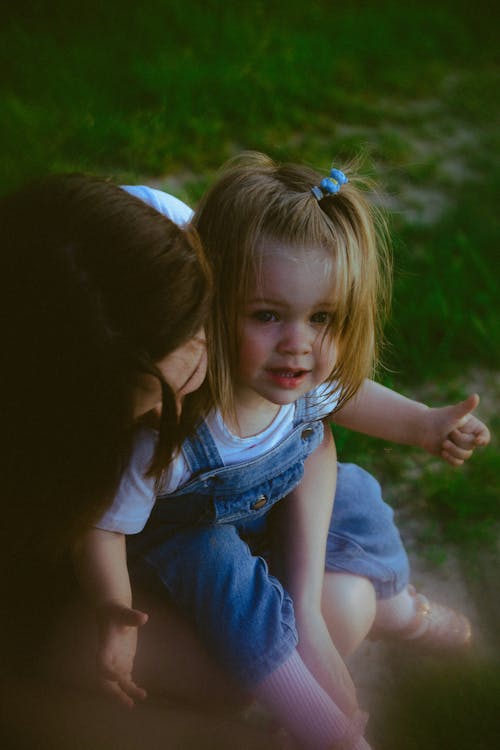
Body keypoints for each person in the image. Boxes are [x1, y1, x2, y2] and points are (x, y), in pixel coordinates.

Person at [77, 155, 490, 749]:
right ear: (214, 303)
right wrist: (111, 610)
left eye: (323, 317)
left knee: (357, 494)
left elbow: (346, 394)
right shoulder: (169, 427)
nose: (298, 346)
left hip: (268, 512)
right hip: (188, 548)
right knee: (218, 565)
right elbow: (104, 524)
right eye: (267, 316)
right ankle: (325, 730)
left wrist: (424, 424)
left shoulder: (295, 375)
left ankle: (399, 608)